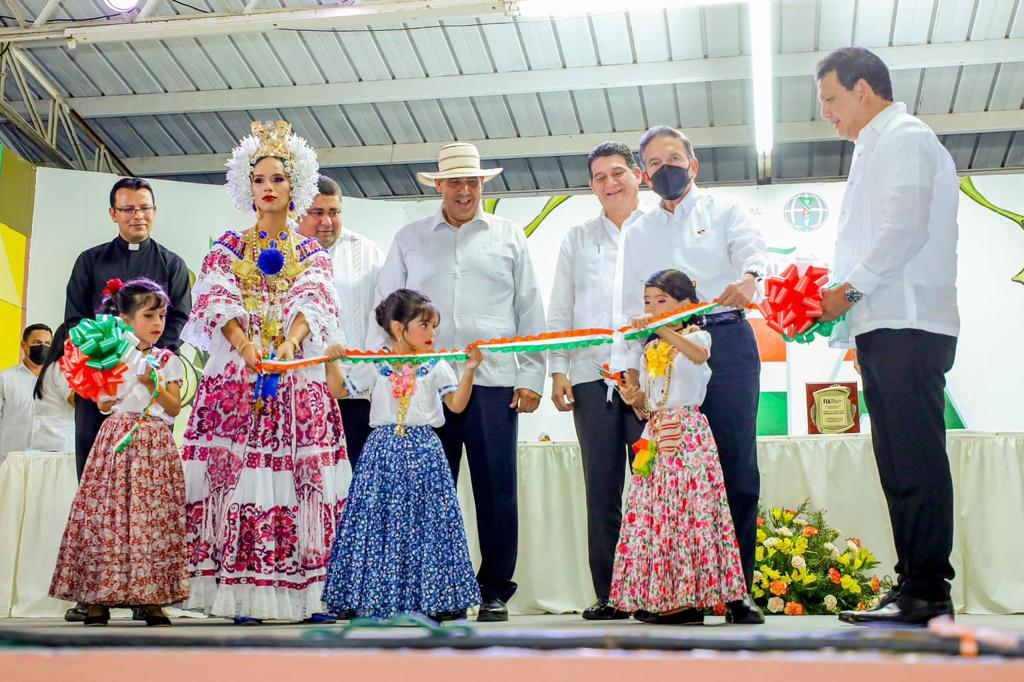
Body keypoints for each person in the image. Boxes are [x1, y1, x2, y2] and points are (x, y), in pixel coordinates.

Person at [180, 120, 351, 624]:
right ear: (246, 187)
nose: (269, 188)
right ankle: (240, 594)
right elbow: (213, 296)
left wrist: (289, 344)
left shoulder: (312, 250)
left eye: (278, 179)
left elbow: (316, 298)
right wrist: (244, 344)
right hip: (237, 375)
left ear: (293, 187)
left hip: (295, 372)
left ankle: (309, 595)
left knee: (304, 477)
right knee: (238, 475)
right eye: (260, 180)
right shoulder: (229, 244)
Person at [371, 142, 546, 622]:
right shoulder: (409, 237)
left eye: (473, 182)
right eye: (455, 182)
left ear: (483, 185)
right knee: (430, 490)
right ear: (439, 186)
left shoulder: (510, 236)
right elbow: (385, 308)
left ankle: (494, 590)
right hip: (425, 384)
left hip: (494, 382)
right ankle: (435, 590)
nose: (464, 190)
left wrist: (532, 374)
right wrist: (383, 371)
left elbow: (530, 308)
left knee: (497, 489)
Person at [816, 46, 960, 626]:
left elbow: (904, 228)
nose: (826, 112)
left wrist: (847, 294)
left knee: (915, 459)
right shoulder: (872, 148)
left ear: (863, 89)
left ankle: (929, 589)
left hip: (908, 320)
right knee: (897, 461)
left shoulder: (905, 137)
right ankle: (913, 585)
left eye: (830, 99)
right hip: (883, 324)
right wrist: (849, 318)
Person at [615, 125, 766, 624]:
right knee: (670, 480)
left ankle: (735, 590)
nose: (666, 168)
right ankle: (679, 594)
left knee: (736, 470)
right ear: (644, 174)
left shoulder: (726, 210)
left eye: (674, 158)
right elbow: (628, 308)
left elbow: (754, 258)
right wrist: (629, 374)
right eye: (655, 163)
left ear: (693, 164)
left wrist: (749, 279)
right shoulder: (637, 231)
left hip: (725, 340)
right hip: (662, 354)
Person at [321, 289, 481, 621]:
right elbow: (340, 390)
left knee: (430, 525)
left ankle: (439, 599)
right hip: (383, 451)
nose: (432, 334)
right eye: (424, 325)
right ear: (398, 328)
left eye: (434, 327)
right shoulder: (374, 363)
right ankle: (373, 598)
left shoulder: (436, 364)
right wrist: (331, 362)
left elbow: (456, 405)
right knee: (380, 523)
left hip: (425, 450)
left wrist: (469, 371)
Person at [49, 278, 188, 626]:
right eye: (149, 316)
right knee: (107, 518)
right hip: (116, 440)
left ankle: (152, 597)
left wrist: (151, 384)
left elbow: (173, 408)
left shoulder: (167, 359)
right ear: (126, 319)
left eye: (162, 316)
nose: (158, 324)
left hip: (154, 444)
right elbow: (103, 402)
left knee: (151, 519)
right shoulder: (110, 355)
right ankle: (98, 598)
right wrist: (112, 387)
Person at [611, 269, 746, 624]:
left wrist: (661, 328)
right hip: (656, 434)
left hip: (687, 435)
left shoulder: (698, 336)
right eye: (647, 302)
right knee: (658, 516)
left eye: (661, 301)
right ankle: (666, 599)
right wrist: (634, 395)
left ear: (685, 304)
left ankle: (688, 601)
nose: (652, 308)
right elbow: (648, 398)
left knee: (687, 513)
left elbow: (698, 357)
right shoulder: (651, 347)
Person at [546, 142, 645, 620]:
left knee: (653, 488)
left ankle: (657, 592)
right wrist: (558, 368)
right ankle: (610, 593)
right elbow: (560, 308)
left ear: (638, 176)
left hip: (652, 382)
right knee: (602, 491)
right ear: (591, 185)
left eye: (618, 172)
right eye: (600, 176)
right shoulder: (578, 238)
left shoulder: (658, 230)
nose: (610, 183)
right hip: (590, 378)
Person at [64, 177, 192, 479]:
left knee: (149, 474)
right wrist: (111, 358)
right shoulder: (90, 261)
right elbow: (75, 319)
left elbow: (179, 318)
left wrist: (144, 357)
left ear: (155, 211)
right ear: (113, 213)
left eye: (144, 208)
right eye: (128, 209)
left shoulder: (172, 264)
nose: (137, 215)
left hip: (152, 380)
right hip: (101, 375)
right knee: (94, 466)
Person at [297, 175, 384, 468]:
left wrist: (373, 379)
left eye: (334, 212)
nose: (327, 221)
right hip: (301, 392)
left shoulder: (367, 251)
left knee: (357, 479)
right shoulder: (281, 254)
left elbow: (383, 318)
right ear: (298, 212)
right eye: (317, 212)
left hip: (356, 391)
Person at [0, 323, 52, 456]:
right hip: (11, 457)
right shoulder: (5, 378)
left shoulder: (58, 380)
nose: (43, 347)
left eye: (47, 343)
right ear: (23, 345)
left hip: (48, 459)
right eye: (36, 342)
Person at [30, 323, 75, 453]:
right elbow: (78, 401)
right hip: (61, 445)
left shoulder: (53, 366)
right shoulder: (63, 367)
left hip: (50, 442)